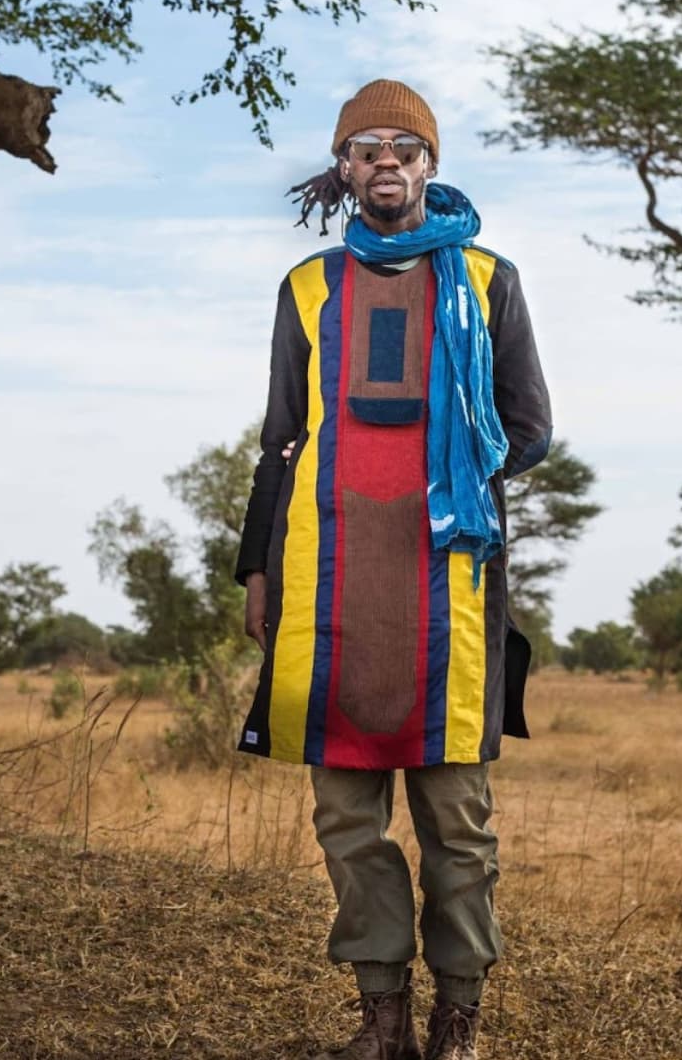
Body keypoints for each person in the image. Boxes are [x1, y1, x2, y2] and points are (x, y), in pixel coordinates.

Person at [232, 79, 553, 1060]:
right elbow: (281, 438)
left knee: (458, 825)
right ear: (344, 167)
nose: (386, 162)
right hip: (326, 578)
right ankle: (382, 1015)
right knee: (345, 819)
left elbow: (530, 428)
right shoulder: (307, 288)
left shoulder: (488, 281)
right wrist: (256, 571)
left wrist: (448, 463)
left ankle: (458, 1017)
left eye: (404, 148)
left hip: (446, 585)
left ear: (429, 166)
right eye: (366, 147)